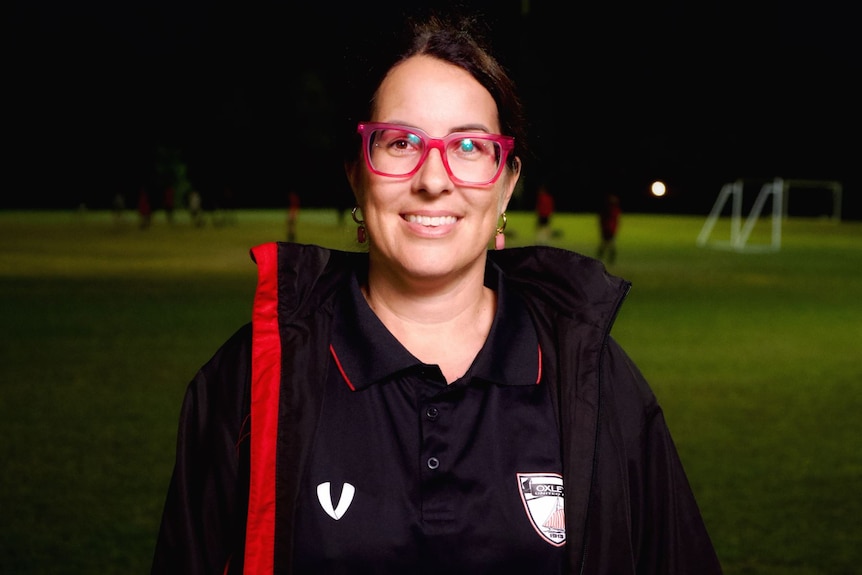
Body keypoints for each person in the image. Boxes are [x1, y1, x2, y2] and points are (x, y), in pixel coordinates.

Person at [151, 11, 722, 575]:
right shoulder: (251, 380)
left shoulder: (595, 382)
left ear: (507, 183)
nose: (433, 178)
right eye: (401, 142)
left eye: (469, 147)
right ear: (356, 170)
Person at [597, 193, 622, 264]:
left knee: (607, 245)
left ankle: (608, 259)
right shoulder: (610, 209)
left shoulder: (613, 209)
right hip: (608, 228)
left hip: (610, 229)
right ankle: (606, 259)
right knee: (607, 244)